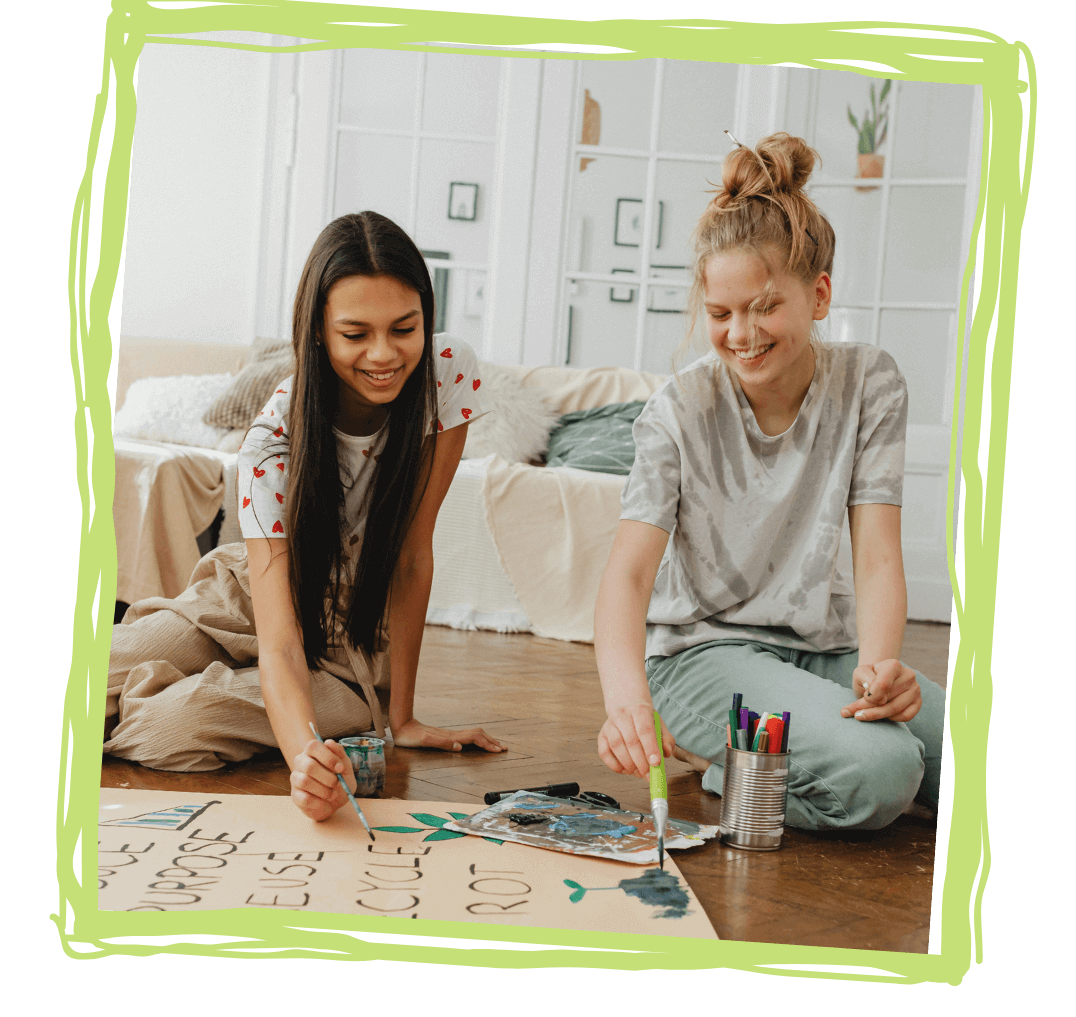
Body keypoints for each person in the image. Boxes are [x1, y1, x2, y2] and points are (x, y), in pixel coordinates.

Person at [594, 134, 945, 831]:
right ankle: (732, 762)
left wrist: (879, 672)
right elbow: (627, 577)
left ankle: (762, 757)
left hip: (823, 644)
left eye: (763, 307)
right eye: (720, 314)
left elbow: (877, 555)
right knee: (885, 772)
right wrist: (627, 699)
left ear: (818, 295)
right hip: (700, 655)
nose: (741, 333)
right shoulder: (678, 410)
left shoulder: (871, 382)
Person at [106, 211, 506, 820]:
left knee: (176, 726)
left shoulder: (449, 374)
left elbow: (411, 552)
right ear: (317, 332)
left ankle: (159, 698)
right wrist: (297, 732)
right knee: (102, 667)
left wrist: (386, 724)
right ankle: (159, 683)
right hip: (252, 594)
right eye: (355, 334)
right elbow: (281, 638)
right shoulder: (272, 445)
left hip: (353, 652)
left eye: (405, 328)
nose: (384, 354)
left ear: (427, 315)